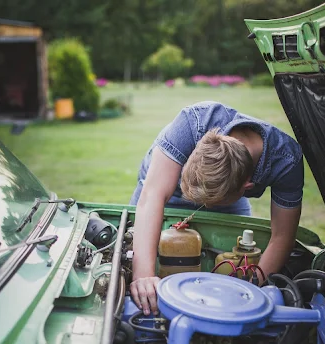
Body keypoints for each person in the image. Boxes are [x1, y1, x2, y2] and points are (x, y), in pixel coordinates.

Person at [129, 101, 304, 316]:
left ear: (247, 186)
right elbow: (152, 196)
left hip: (226, 193)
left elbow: (283, 237)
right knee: (137, 249)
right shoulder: (193, 122)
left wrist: (249, 292)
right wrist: (143, 276)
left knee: (237, 256)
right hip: (164, 181)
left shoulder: (287, 160)